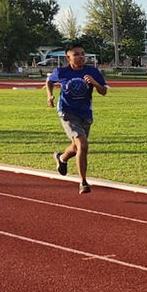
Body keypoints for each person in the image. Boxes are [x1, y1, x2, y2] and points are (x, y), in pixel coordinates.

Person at [45, 44, 108, 194]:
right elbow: (49, 81)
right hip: (67, 112)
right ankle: (83, 182)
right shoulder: (62, 72)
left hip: (85, 113)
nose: (81, 57)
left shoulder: (92, 71)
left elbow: (103, 91)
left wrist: (94, 82)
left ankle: (62, 158)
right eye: (77, 54)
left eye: (82, 54)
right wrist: (49, 96)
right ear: (68, 57)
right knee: (83, 145)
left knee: (76, 147)